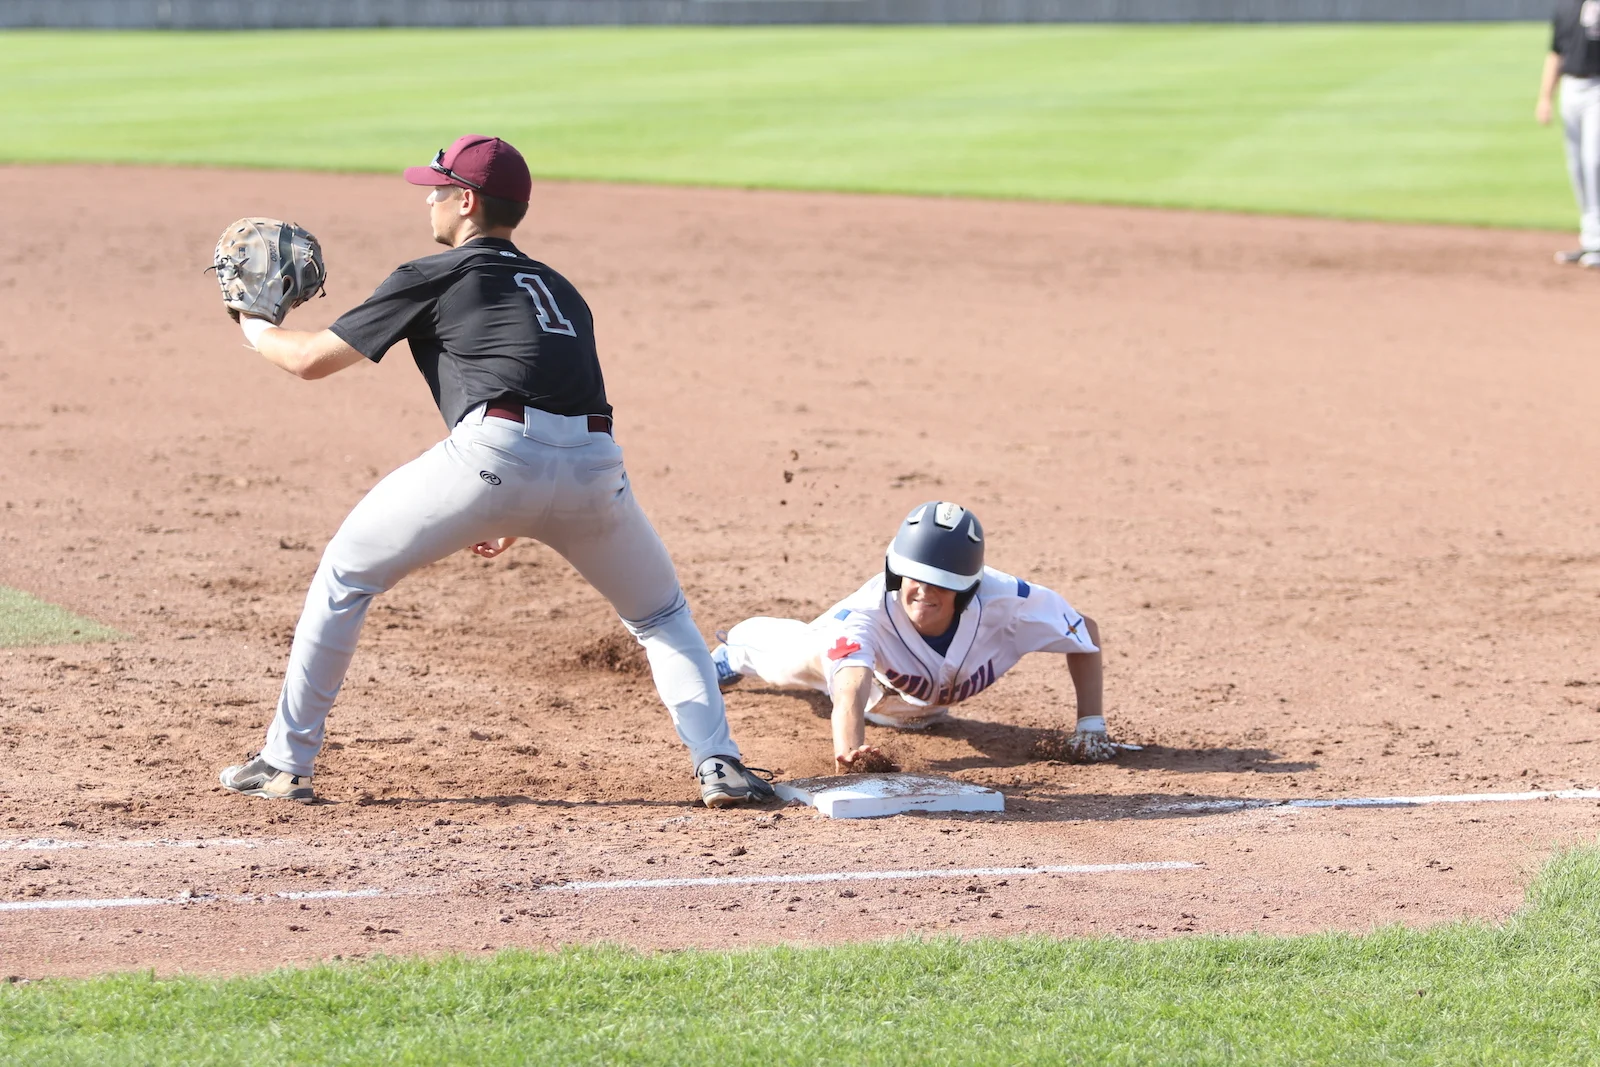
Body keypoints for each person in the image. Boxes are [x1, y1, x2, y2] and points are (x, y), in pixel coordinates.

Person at [217, 134, 774, 808]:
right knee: (661, 616)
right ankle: (720, 763)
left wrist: (249, 321)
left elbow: (307, 359)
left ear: (467, 201)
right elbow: (559, 389)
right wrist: (523, 507)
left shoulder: (433, 274)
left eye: (438, 186)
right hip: (595, 469)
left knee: (346, 573)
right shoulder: (563, 290)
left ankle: (285, 760)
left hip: (493, 458)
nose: (428, 197)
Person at [711, 501, 1123, 772]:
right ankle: (734, 651)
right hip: (855, 678)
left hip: (915, 707)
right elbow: (851, 686)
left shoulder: (1009, 603)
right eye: (916, 578)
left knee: (908, 709)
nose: (925, 591)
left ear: (967, 589)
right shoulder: (862, 616)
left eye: (941, 583)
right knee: (789, 661)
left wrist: (1091, 725)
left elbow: (1083, 631)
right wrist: (851, 750)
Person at [1539, 0, 1600, 265]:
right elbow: (1555, 54)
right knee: (1576, 166)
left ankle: (1597, 243)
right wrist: (1545, 98)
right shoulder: (1564, 7)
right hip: (1570, 89)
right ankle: (1590, 239)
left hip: (1597, 87)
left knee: (1594, 162)